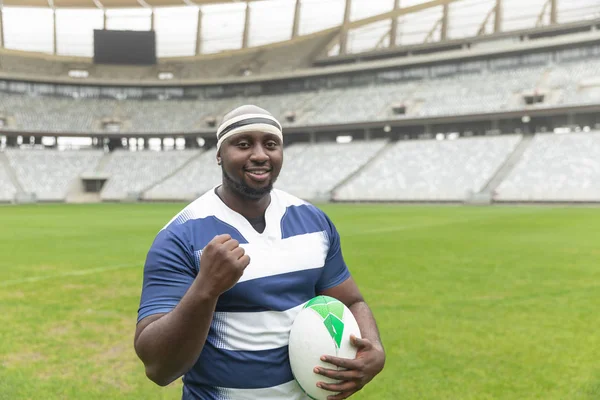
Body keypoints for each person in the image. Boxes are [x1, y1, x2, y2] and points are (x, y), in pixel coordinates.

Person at [134, 105, 385, 400]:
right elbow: (158, 368)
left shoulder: (314, 221)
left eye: (270, 144)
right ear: (219, 154)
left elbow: (351, 300)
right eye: (243, 144)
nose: (259, 154)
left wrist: (374, 347)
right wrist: (206, 289)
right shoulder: (181, 235)